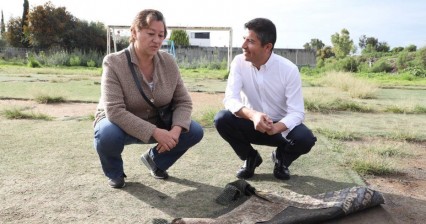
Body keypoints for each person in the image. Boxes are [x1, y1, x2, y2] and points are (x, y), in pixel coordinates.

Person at [93, 9, 203, 188]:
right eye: (151, 33)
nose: (157, 40)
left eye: (161, 35)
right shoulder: (114, 62)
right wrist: (156, 132)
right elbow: (114, 111)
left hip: (157, 119)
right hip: (119, 123)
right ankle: (115, 173)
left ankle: (156, 161)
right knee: (107, 134)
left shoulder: (168, 62)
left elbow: (183, 101)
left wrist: (175, 132)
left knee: (194, 130)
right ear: (134, 32)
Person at [214, 18, 316, 180]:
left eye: (251, 41)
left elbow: (297, 113)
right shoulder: (238, 62)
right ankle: (250, 158)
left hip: (280, 129)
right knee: (222, 119)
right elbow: (230, 99)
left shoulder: (288, 70)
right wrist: (254, 115)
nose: (243, 46)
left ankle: (281, 159)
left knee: (305, 138)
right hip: (251, 123)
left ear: (267, 47)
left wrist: (276, 128)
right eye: (244, 39)